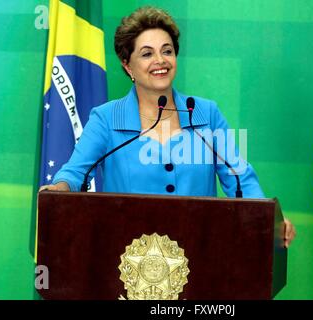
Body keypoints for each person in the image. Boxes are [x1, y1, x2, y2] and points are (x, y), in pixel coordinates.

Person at [39, 6, 296, 247]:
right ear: (128, 65)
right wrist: (58, 188)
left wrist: (268, 220)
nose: (160, 60)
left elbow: (240, 179)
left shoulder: (206, 114)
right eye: (147, 53)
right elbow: (74, 173)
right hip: (128, 260)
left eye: (167, 50)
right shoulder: (106, 119)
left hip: (201, 255)